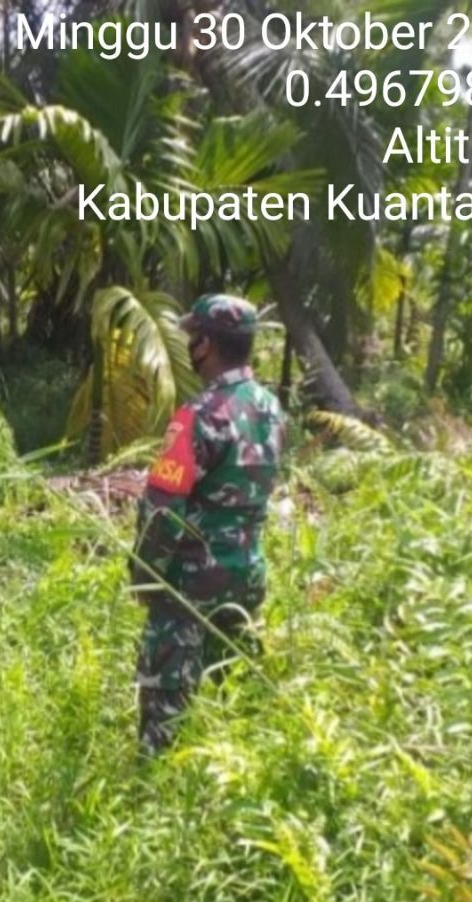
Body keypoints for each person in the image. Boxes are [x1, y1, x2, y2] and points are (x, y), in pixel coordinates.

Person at [131, 294, 287, 753]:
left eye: (191, 336)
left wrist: (146, 575)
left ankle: (153, 791)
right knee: (228, 706)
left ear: (205, 345)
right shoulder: (272, 411)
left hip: (189, 589)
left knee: (166, 708)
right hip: (247, 578)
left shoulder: (199, 416)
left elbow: (161, 510)